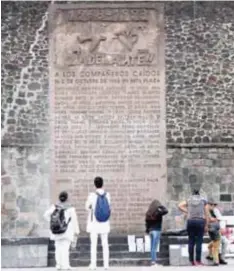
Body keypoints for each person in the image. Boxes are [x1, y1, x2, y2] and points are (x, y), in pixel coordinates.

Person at [44, 191, 80, 270]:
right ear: (67, 198)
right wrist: (77, 231)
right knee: (65, 249)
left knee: (58, 248)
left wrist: (52, 221)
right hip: (66, 231)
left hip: (56, 231)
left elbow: (46, 215)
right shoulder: (70, 208)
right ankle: (66, 265)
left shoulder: (54, 207)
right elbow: (74, 221)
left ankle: (58, 265)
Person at [85, 176, 111, 270]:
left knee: (94, 245)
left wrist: (90, 204)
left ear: (94, 184)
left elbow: (87, 208)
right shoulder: (107, 195)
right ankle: (106, 265)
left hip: (94, 224)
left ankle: (93, 265)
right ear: (102, 184)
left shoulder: (92, 195)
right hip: (104, 223)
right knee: (105, 244)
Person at [178, 189, 209, 266]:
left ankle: (191, 261)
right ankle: (198, 261)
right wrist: (206, 225)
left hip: (191, 221)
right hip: (200, 221)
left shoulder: (189, 200)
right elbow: (207, 214)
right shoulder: (203, 201)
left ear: (192, 194)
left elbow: (179, 205)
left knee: (191, 241)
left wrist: (187, 211)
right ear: (199, 194)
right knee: (199, 242)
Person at [145, 200, 168, 266]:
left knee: (152, 247)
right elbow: (166, 211)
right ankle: (153, 262)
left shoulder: (148, 213)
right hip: (156, 231)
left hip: (151, 231)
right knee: (154, 248)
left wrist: (148, 230)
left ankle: (153, 261)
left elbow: (147, 223)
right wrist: (161, 206)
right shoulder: (158, 212)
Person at [206, 199, 228, 265]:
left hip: (215, 229)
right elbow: (214, 220)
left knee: (217, 243)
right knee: (217, 244)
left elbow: (220, 220)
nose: (214, 206)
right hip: (215, 229)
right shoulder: (209, 211)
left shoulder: (215, 210)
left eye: (215, 205)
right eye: (213, 205)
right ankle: (217, 260)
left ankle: (216, 257)